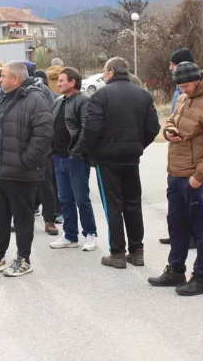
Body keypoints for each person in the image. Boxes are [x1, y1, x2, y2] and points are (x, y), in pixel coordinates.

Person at [149, 62, 203, 296]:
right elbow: (172, 121)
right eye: (180, 86)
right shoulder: (185, 98)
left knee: (202, 229)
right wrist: (169, 132)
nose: (183, 89)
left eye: (186, 85)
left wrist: (199, 176)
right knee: (177, 225)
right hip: (176, 172)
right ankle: (176, 269)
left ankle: (202, 278)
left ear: (198, 79)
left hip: (197, 178)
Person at [0, 61, 53, 277]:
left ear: (15, 79)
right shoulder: (4, 98)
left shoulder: (35, 99)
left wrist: (25, 161)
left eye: (3, 76)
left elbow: (43, 136)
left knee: (22, 217)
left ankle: (23, 259)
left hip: (20, 171)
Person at [84, 57, 160, 269]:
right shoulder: (143, 95)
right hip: (131, 158)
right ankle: (137, 250)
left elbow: (91, 129)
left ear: (110, 71)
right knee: (133, 204)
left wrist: (94, 152)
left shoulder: (100, 95)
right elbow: (153, 128)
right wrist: (137, 145)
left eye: (104, 71)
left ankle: (117, 252)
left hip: (107, 160)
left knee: (113, 206)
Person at [49, 67, 98, 252]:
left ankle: (90, 234)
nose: (59, 83)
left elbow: (87, 130)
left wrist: (76, 152)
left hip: (75, 158)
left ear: (72, 82)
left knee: (81, 198)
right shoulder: (58, 102)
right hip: (58, 157)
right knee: (64, 198)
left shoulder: (83, 101)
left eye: (62, 80)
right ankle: (70, 235)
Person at [160, 47, 197, 247]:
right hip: (177, 152)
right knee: (177, 203)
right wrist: (170, 129)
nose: (170, 68)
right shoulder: (178, 91)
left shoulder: (193, 91)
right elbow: (173, 118)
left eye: (173, 65)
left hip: (190, 155)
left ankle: (191, 236)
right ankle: (177, 233)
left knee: (190, 200)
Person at [24, 61, 60, 234]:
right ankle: (25, 217)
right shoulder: (15, 92)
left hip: (42, 144)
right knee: (24, 184)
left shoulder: (42, 90)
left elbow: (50, 115)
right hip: (22, 143)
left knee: (46, 183)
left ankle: (49, 220)